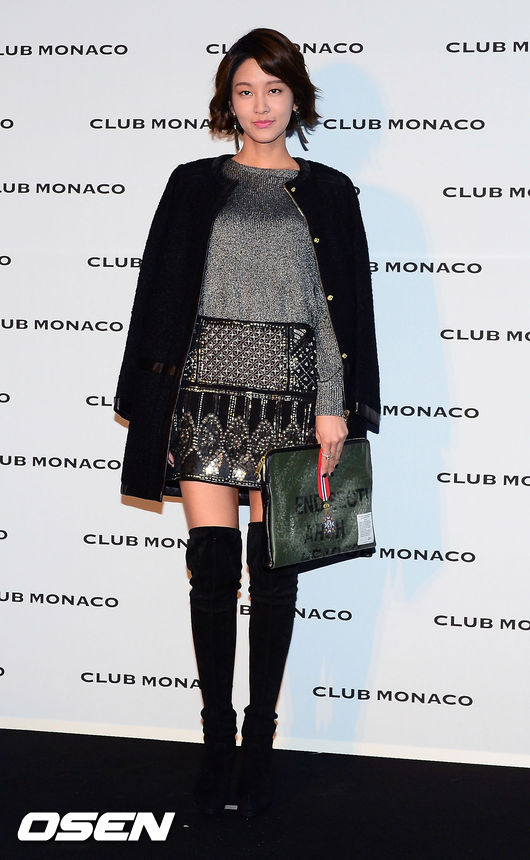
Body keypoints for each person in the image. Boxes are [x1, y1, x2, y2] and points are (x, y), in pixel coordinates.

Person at [114, 27, 380, 817]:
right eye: (244, 91)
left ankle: (260, 740)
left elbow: (339, 313)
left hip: (292, 396)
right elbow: (159, 294)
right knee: (211, 569)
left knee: (274, 575)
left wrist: (334, 404)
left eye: (274, 89)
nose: (260, 105)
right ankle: (216, 744)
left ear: (296, 97)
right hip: (204, 393)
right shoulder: (192, 184)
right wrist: (154, 401)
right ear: (227, 101)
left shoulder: (331, 192)